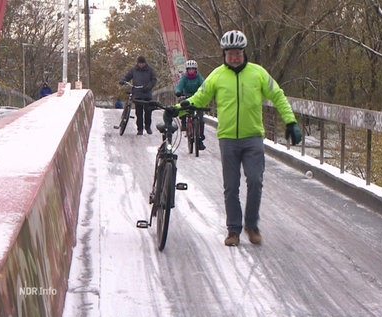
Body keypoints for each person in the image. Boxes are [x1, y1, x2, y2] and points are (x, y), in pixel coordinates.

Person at [168, 30, 302, 246]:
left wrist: (291, 122)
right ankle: (233, 230)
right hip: (228, 138)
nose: (234, 57)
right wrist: (176, 110)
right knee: (231, 186)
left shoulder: (258, 73)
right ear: (224, 54)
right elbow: (199, 97)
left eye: (238, 53)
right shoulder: (217, 75)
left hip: (253, 138)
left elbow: (277, 95)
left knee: (255, 181)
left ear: (243, 52)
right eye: (230, 54)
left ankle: (251, 225)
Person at [119, 55, 157, 135]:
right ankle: (140, 129)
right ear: (137, 63)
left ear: (145, 63)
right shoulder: (134, 70)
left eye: (142, 63)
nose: (141, 65)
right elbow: (127, 77)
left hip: (147, 94)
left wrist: (149, 86)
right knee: (138, 112)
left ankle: (148, 127)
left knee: (148, 111)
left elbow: (154, 79)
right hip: (137, 93)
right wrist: (123, 80)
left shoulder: (149, 70)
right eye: (140, 63)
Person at [175, 59, 206, 149]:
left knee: (200, 117)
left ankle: (200, 138)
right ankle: (184, 122)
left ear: (195, 70)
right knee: (183, 105)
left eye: (193, 69)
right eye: (189, 69)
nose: (191, 71)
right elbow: (179, 86)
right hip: (187, 96)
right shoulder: (184, 77)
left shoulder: (199, 77)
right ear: (187, 70)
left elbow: (203, 86)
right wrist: (178, 91)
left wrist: (204, 92)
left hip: (197, 97)